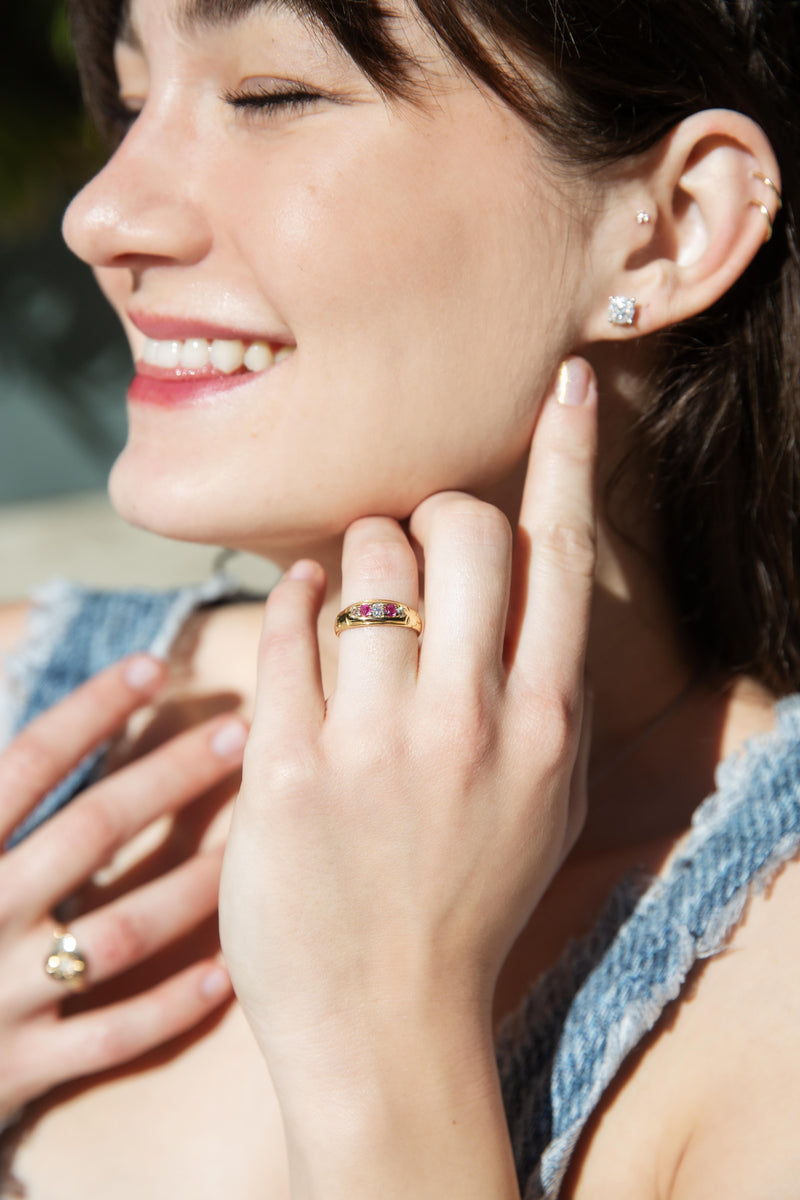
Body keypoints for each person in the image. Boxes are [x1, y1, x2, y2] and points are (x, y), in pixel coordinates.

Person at [1, 0, 798, 1195]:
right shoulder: (24, 724)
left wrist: (386, 1037)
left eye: (270, 95)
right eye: (129, 96)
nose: (100, 212)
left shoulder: (765, 984)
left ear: (670, 229)